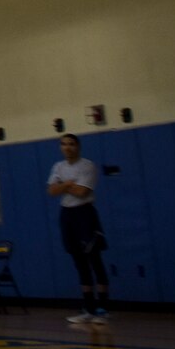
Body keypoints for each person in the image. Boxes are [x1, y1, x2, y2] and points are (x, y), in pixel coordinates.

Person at [48, 133, 109, 324]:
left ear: (78, 146)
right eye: (64, 144)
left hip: (85, 214)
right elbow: (51, 191)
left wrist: (62, 186)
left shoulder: (87, 165)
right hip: (67, 214)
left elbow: (83, 192)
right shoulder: (58, 167)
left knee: (94, 259)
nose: (67, 147)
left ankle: (103, 309)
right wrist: (68, 184)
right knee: (79, 262)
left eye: (71, 144)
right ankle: (88, 308)